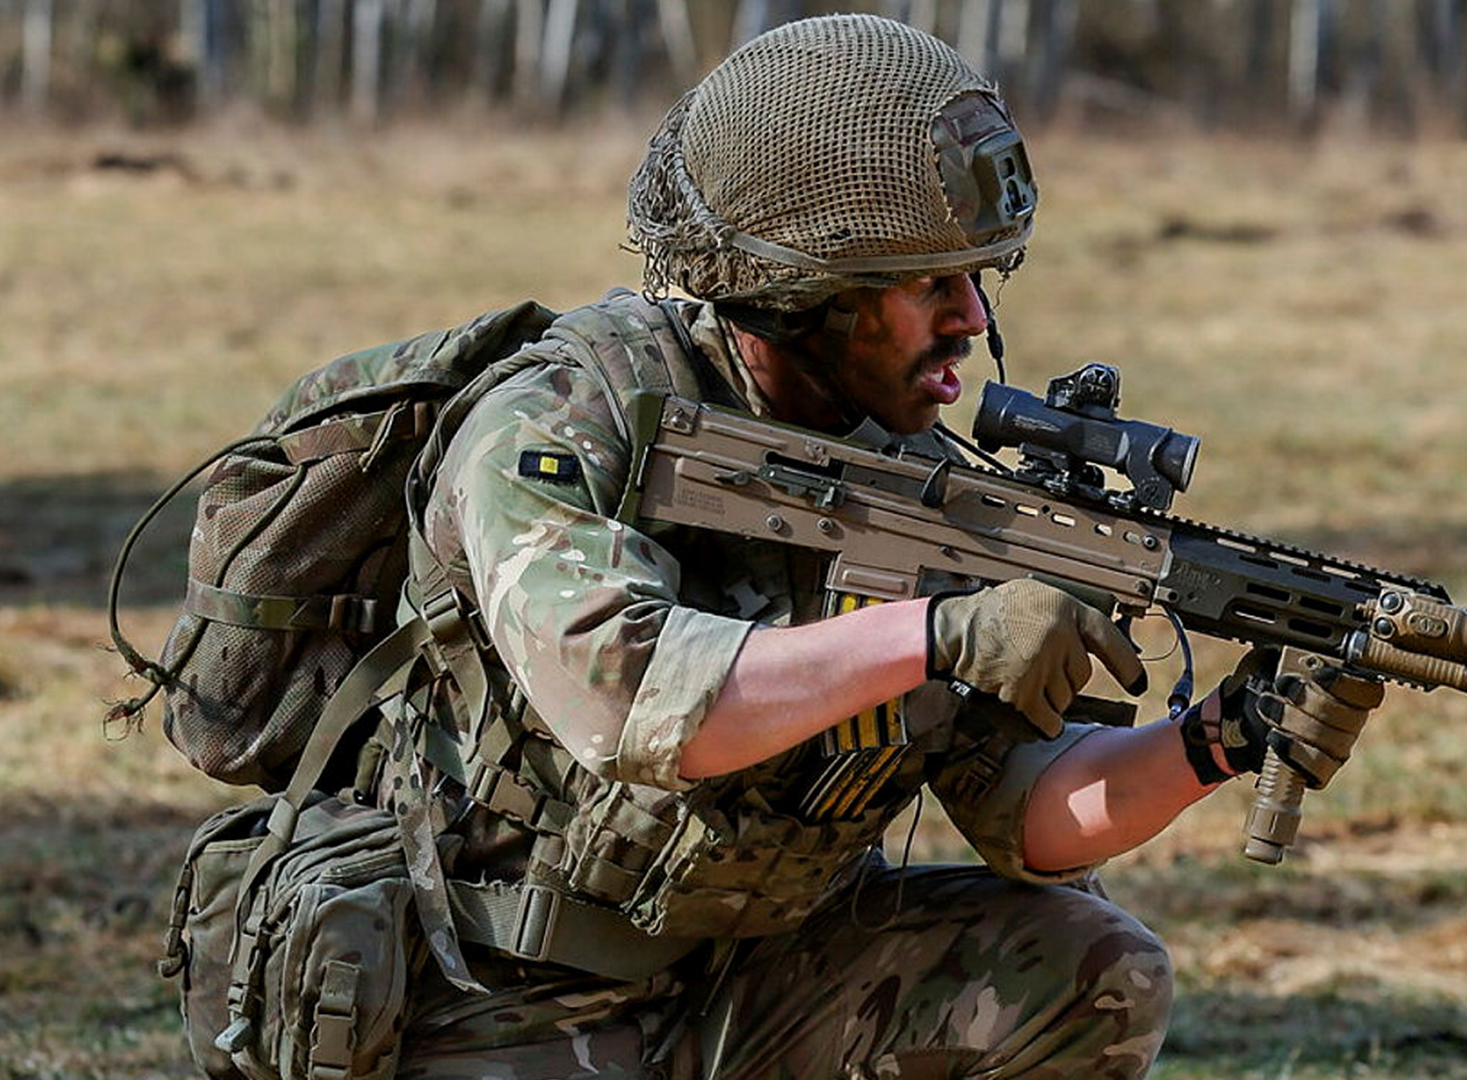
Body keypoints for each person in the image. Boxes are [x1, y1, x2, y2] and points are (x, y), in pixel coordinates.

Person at [394, 14, 1386, 1079]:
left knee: (1088, 965)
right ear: (807, 291)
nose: (969, 316)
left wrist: (1216, 741)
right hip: (496, 997)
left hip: (758, 983)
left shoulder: (916, 476)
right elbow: (633, 702)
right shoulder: (565, 415)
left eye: (976, 279)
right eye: (929, 286)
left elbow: (1025, 815)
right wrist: (939, 636)